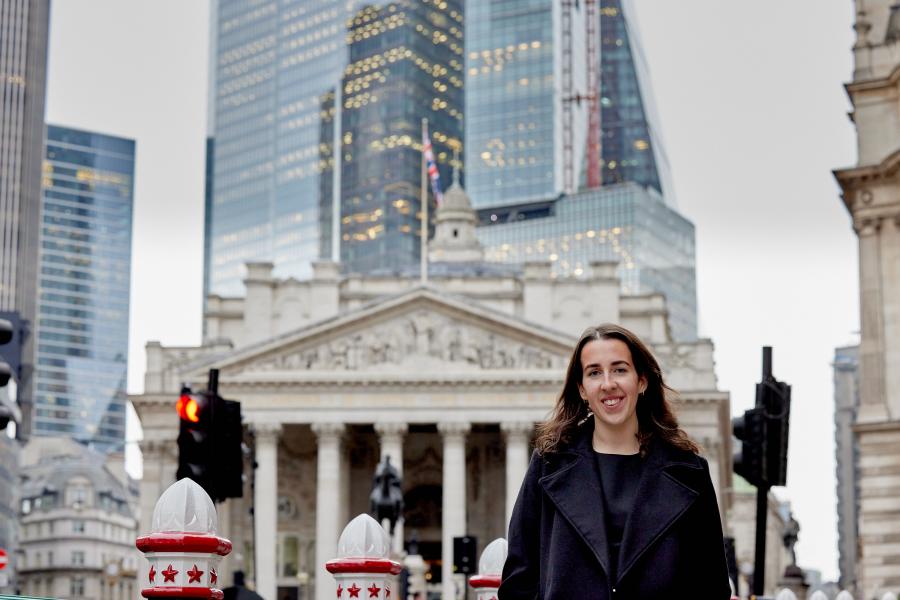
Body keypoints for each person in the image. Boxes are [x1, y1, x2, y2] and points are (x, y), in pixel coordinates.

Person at [499, 323, 732, 599]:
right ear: (583, 389)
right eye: (594, 373)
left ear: (641, 381)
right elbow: (519, 579)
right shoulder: (548, 464)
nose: (608, 384)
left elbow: (711, 585)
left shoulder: (689, 471)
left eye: (620, 369)